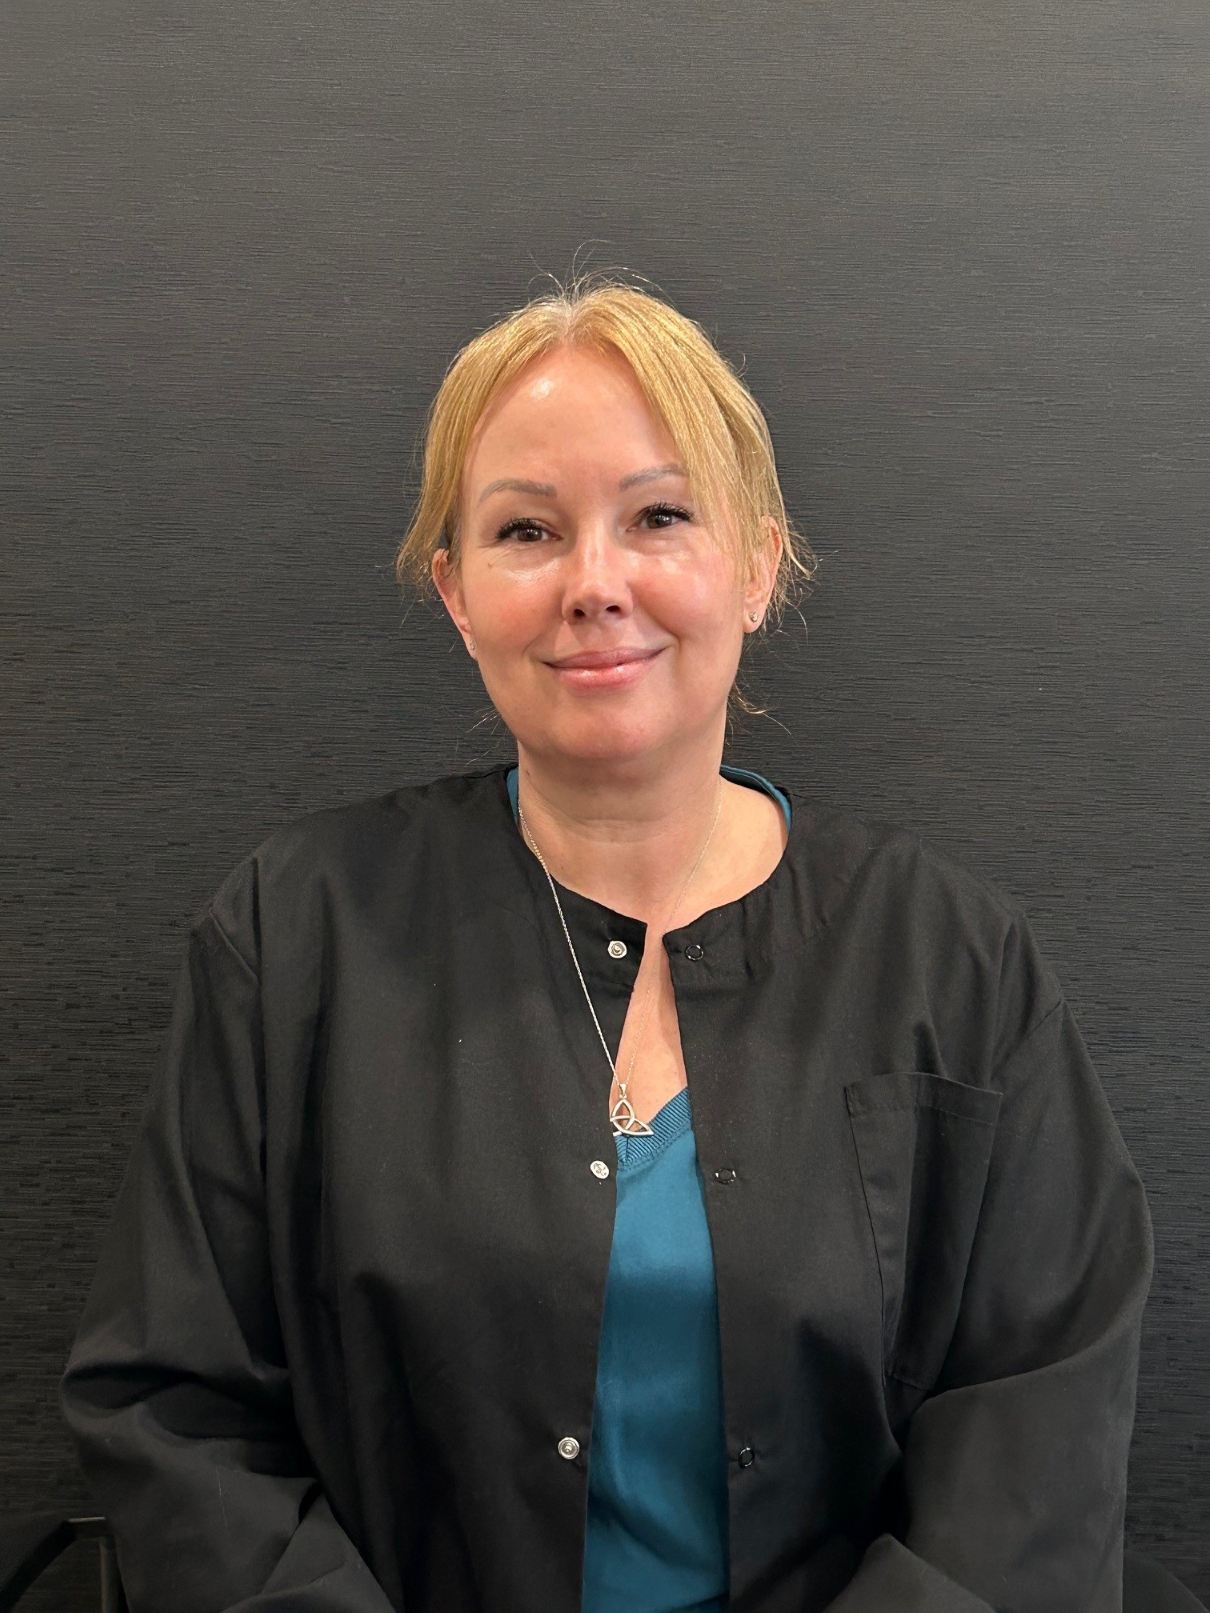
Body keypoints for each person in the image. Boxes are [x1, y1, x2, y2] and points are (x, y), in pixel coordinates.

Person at [60, 272, 1154, 1613]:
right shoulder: (294, 938)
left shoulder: (957, 966)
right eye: (526, 530)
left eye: (659, 517)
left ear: (757, 565)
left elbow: (1036, 1441)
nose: (594, 584)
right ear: (457, 593)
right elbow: (173, 1405)